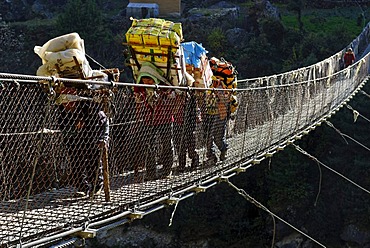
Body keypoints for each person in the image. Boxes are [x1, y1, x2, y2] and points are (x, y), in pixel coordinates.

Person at [133, 62, 175, 180]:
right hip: (148, 119)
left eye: (150, 80)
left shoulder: (163, 86)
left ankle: (167, 170)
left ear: (155, 78)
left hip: (165, 118)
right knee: (148, 145)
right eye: (145, 80)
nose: (147, 82)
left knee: (166, 144)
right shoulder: (139, 87)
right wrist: (137, 118)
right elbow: (137, 102)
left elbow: (173, 97)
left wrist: (163, 93)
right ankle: (151, 173)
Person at [173, 89, 200, 173]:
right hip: (178, 122)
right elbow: (173, 110)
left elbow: (195, 108)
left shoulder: (191, 96)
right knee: (179, 145)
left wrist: (197, 118)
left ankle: (195, 158)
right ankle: (182, 164)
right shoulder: (175, 95)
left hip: (189, 123)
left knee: (191, 144)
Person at [203, 77, 230, 164]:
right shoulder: (203, 84)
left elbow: (225, 99)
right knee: (208, 137)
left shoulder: (219, 85)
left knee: (217, 138)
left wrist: (217, 93)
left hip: (219, 115)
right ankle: (211, 157)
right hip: (207, 114)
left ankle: (224, 149)